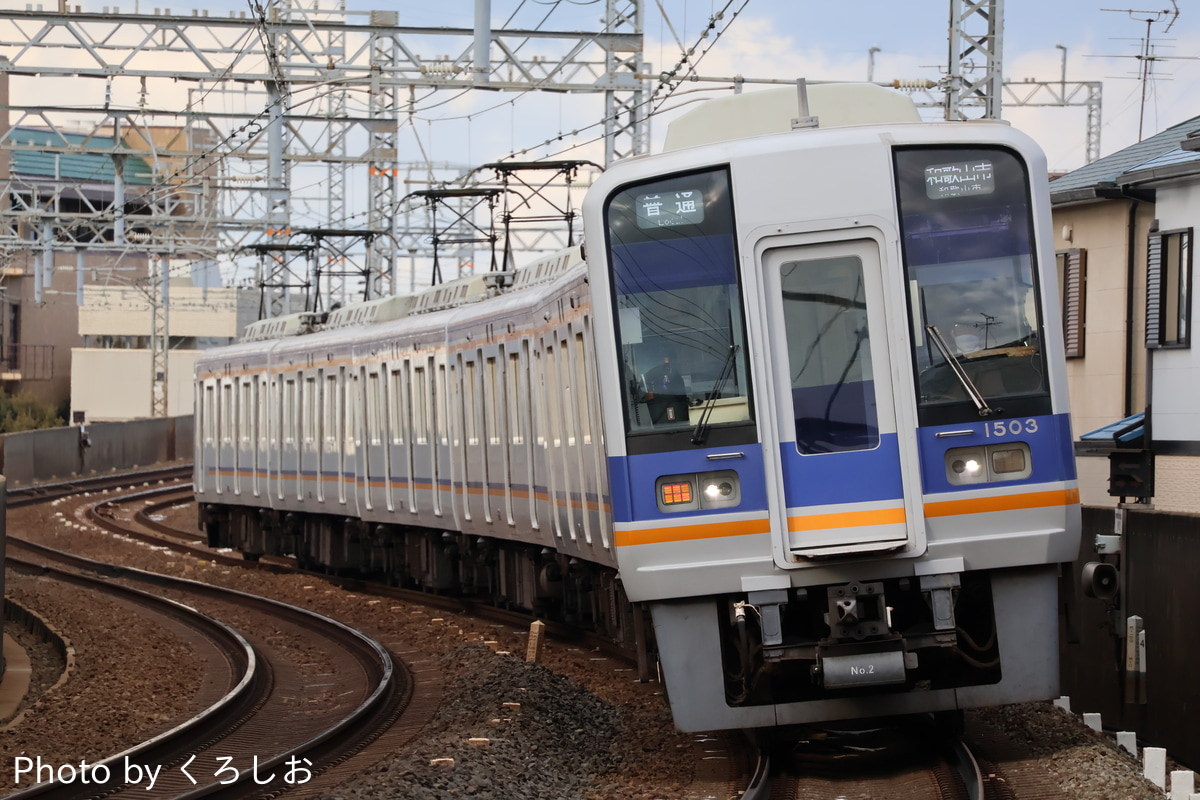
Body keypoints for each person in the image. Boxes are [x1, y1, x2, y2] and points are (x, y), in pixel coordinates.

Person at [643, 353, 689, 425]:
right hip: (660, 411)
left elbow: (682, 394)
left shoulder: (675, 373)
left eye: (668, 359)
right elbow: (643, 389)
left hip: (678, 411)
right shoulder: (652, 373)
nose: (667, 361)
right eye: (665, 359)